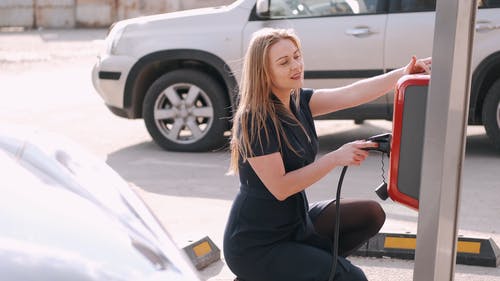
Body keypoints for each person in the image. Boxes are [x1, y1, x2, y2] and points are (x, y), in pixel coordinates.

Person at [223, 28, 431, 281]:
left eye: (297, 56)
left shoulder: (298, 101)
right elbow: (281, 187)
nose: (296, 65)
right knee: (352, 278)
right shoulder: (255, 118)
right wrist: (335, 158)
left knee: (369, 215)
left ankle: (305, 269)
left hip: (295, 223)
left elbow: (352, 94)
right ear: (264, 72)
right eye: (284, 62)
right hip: (258, 244)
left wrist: (404, 73)